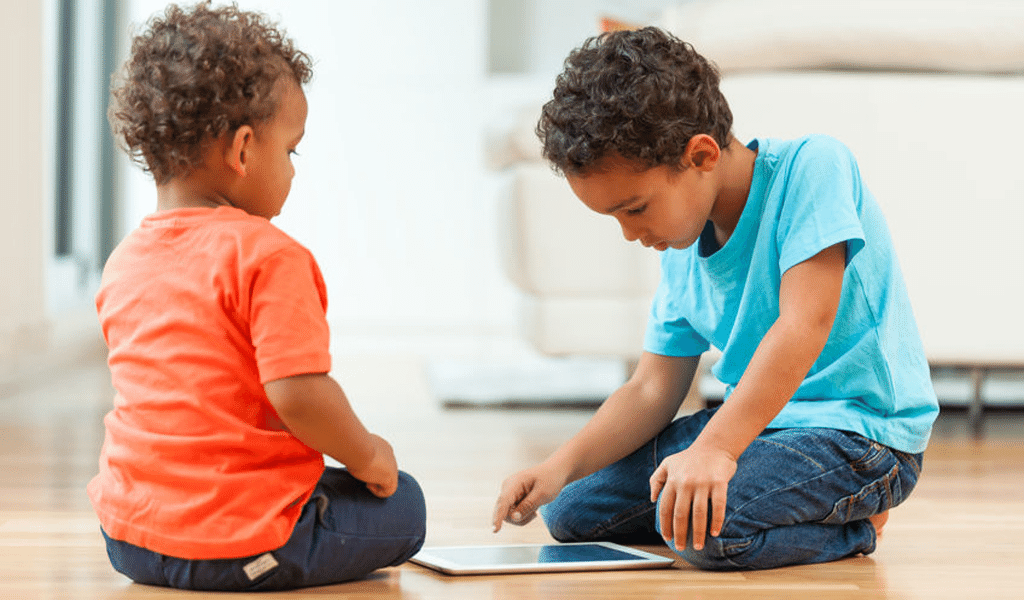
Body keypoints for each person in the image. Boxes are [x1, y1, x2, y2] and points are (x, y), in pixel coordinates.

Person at [492, 26, 939, 571]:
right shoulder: (682, 243)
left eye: (634, 209)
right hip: (755, 426)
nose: (631, 234)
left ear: (700, 155)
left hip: (858, 436)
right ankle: (760, 498)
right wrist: (557, 467)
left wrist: (717, 449)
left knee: (705, 536)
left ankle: (857, 526)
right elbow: (652, 387)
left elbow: (805, 324)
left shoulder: (813, 169)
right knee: (570, 511)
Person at [88, 2, 425, 591]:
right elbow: (299, 394)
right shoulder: (269, 255)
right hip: (242, 546)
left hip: (128, 538)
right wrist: (369, 454)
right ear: (243, 150)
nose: (294, 169)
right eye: (291, 149)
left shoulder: (124, 262)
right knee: (407, 506)